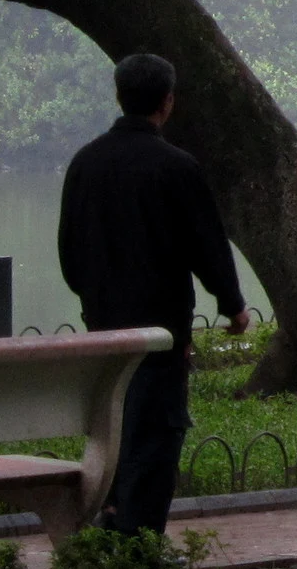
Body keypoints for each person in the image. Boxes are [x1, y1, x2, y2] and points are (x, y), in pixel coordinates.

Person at [57, 54, 247, 536]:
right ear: (167, 102)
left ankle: (112, 517)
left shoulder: (86, 163)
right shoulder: (176, 167)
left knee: (113, 422)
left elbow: (69, 250)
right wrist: (232, 304)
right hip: (161, 330)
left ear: (119, 96)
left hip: (103, 324)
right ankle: (140, 536)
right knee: (157, 428)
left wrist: (93, 296)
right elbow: (206, 244)